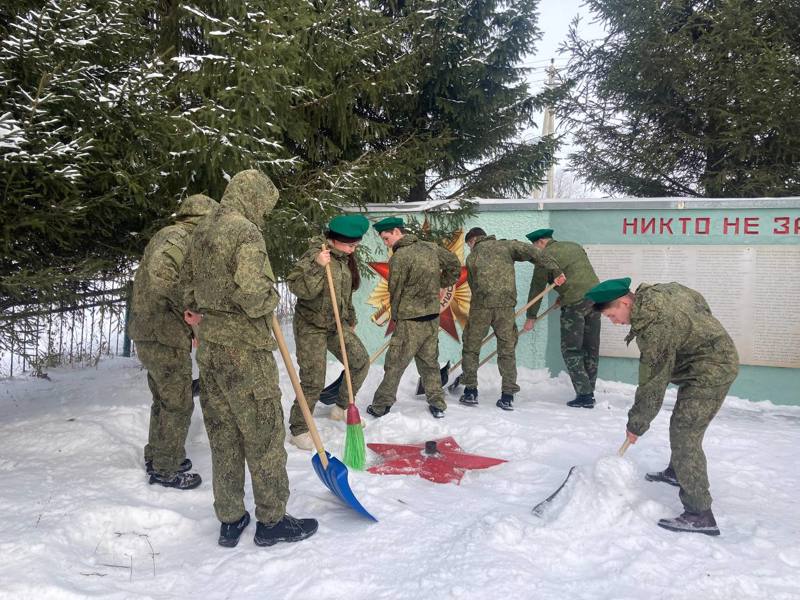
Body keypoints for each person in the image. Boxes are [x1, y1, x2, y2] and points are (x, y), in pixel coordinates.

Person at [181, 170, 317, 548]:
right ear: (255, 198)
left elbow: (186, 289)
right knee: (264, 438)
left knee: (223, 437)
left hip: (209, 351)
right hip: (246, 354)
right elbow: (254, 294)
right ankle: (272, 522)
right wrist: (270, 299)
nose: (265, 214)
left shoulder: (203, 229)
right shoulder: (246, 233)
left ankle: (230, 518)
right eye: (265, 206)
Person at [586, 277, 739, 536]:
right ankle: (677, 471)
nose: (614, 322)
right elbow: (697, 299)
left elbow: (653, 382)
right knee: (682, 422)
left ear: (625, 302)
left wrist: (637, 424)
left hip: (711, 369)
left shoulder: (656, 326)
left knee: (685, 432)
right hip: (703, 361)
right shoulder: (656, 293)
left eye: (612, 315)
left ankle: (699, 513)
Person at [129, 193, 217, 490]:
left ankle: (159, 455)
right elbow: (160, 276)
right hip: (162, 332)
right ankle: (166, 469)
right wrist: (188, 307)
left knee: (164, 398)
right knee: (177, 402)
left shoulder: (173, 235)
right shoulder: (178, 238)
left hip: (156, 330)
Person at [285, 214, 371, 450]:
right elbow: (300, 289)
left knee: (360, 361)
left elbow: (346, 293)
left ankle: (342, 407)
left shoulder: (343, 258)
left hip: (336, 324)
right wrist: (317, 266)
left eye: (356, 246)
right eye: (350, 245)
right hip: (311, 326)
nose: (353, 250)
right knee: (313, 379)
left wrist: (350, 318)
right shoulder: (315, 254)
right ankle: (299, 428)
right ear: (335, 239)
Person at [459, 227, 565, 411]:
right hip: (505, 309)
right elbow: (534, 252)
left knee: (471, 348)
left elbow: (473, 286)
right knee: (507, 350)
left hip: (480, 309)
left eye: (469, 244)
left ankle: (470, 392)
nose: (470, 247)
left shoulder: (472, 257)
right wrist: (555, 270)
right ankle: (507, 396)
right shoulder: (507, 246)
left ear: (474, 240)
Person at [367, 217, 461, 419]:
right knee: (429, 363)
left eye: (386, 238)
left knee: (395, 364)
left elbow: (395, 289)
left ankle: (381, 406)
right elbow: (454, 263)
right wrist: (441, 282)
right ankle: (437, 404)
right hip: (432, 318)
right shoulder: (430, 247)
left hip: (410, 321)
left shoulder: (400, 257)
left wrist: (396, 316)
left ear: (396, 231)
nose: (386, 243)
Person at [524, 228, 601, 408]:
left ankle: (584, 395)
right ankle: (589, 390)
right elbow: (577, 274)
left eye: (535, 246)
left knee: (571, 349)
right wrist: (563, 294)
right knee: (591, 348)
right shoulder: (574, 246)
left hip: (575, 303)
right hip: (596, 299)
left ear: (541, 242)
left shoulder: (545, 256)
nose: (535, 250)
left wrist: (531, 316)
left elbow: (537, 287)